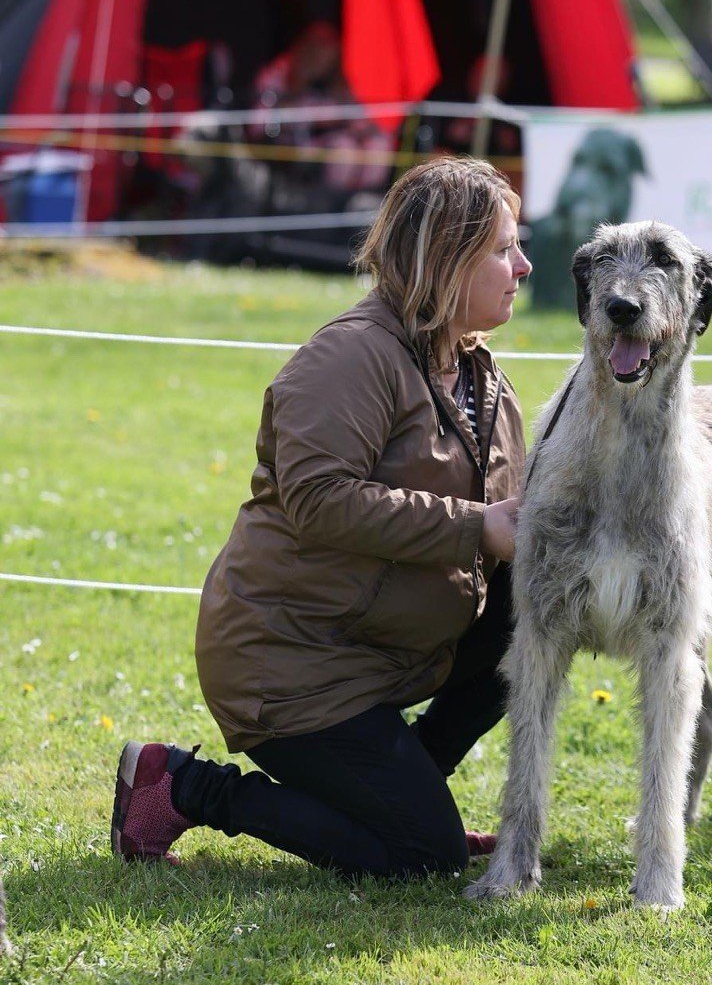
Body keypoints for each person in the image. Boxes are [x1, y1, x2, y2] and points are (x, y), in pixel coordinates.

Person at [111, 156, 532, 879]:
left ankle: (397, 800)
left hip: (378, 652)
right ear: (444, 258)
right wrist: (475, 526)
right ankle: (181, 786)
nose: (522, 266)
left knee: (532, 617)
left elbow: (514, 520)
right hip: (290, 662)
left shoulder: (480, 375)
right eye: (501, 248)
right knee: (421, 857)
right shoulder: (350, 356)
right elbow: (316, 498)